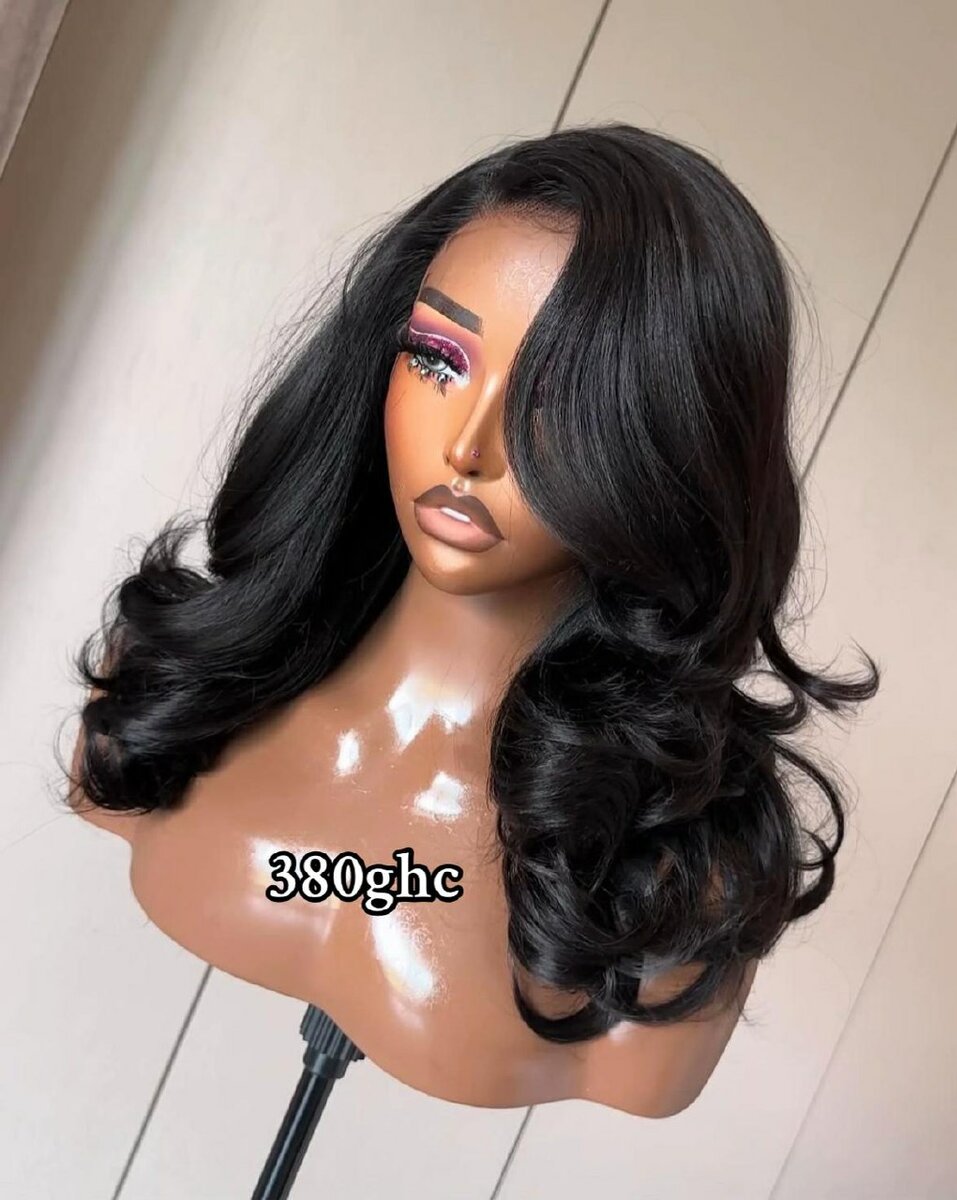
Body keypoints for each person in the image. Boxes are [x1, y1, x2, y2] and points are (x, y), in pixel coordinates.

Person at [64, 122, 879, 1117]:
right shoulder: (172, 684)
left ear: (671, 446)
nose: (469, 446)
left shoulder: (672, 892)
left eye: (562, 398)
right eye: (440, 359)